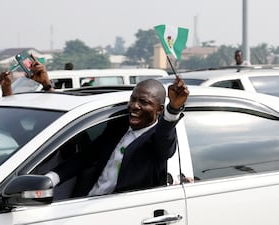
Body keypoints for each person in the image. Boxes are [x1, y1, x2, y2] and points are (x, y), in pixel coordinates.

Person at [45, 75, 189, 197]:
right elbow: (86, 156)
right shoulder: (117, 127)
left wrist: (173, 109)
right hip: (85, 201)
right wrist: (50, 179)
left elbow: (165, 137)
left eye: (144, 102)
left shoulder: (157, 139)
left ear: (159, 109)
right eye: (133, 99)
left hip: (119, 211)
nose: (134, 106)